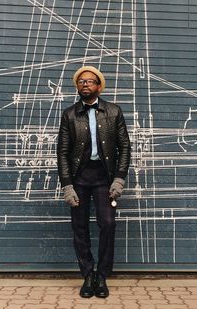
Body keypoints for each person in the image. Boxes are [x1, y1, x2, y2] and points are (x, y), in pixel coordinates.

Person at [56, 66, 131, 298]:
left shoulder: (113, 112)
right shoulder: (69, 114)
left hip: (104, 178)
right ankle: (88, 274)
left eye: (89, 81)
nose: (84, 85)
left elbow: (125, 147)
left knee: (107, 224)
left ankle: (102, 275)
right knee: (79, 227)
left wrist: (119, 179)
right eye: (81, 82)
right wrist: (67, 184)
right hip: (79, 178)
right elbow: (63, 151)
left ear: (98, 86)